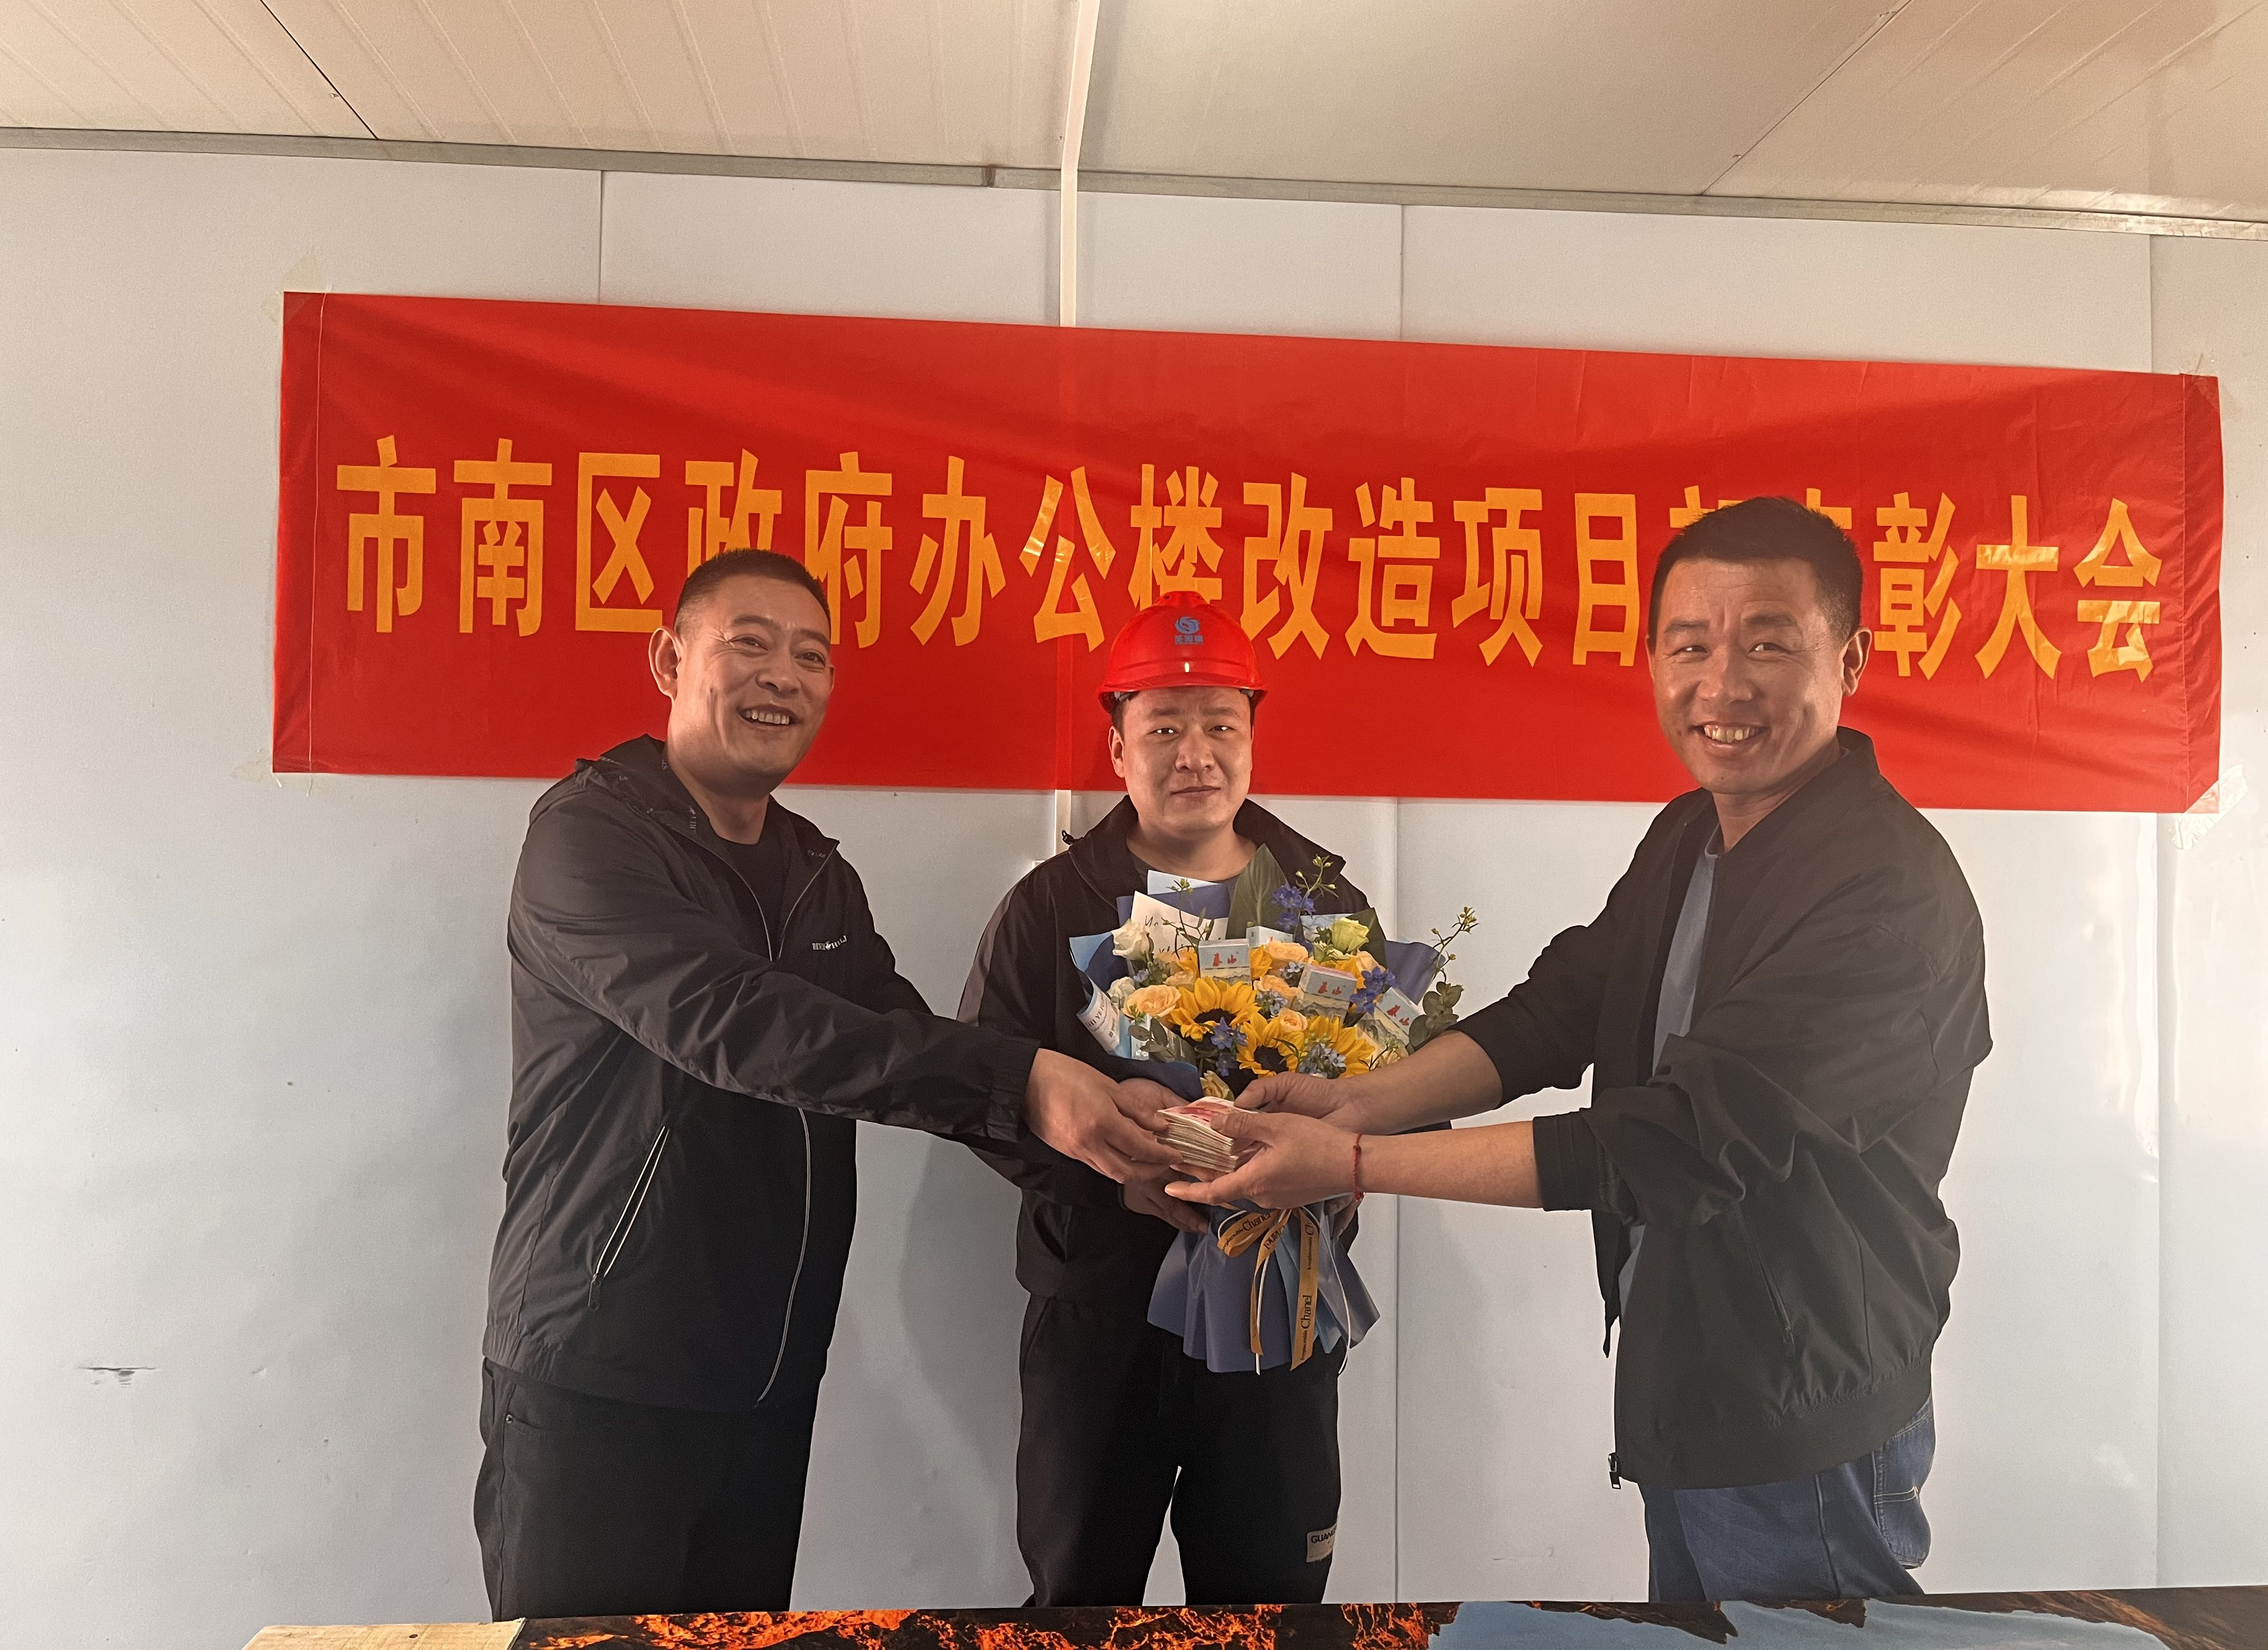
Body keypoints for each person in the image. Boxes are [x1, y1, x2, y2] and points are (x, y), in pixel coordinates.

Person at [1171, 499, 1990, 1604]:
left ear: (1850, 658)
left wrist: (1351, 1164)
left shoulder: (1885, 895)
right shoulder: (1692, 832)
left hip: (1804, 1393)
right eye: (1689, 646)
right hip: (1688, 1360)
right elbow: (1565, 1009)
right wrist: (1359, 1102)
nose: (1722, 684)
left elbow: (1678, 1138)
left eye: (1767, 644)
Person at [475, 548, 1176, 1620]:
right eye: (749, 643)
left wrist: (1111, 1155)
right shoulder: (589, 837)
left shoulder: (814, 871)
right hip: (600, 1368)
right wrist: (1028, 1078)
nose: (782, 676)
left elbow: (903, 1047)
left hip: (768, 1373)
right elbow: (738, 1023)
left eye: (810, 657)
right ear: (669, 660)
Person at [959, 594, 1365, 1604]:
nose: (1197, 756)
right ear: (1118, 748)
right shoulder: (1048, 905)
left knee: (1271, 1609)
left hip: (1275, 1312)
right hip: (1102, 1319)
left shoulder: (1323, 902)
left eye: (1221, 725)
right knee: (1079, 1602)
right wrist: (1111, 1175)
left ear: (1253, 738)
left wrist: (1340, 1162)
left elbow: (1390, 1082)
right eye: (1165, 729)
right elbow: (978, 1091)